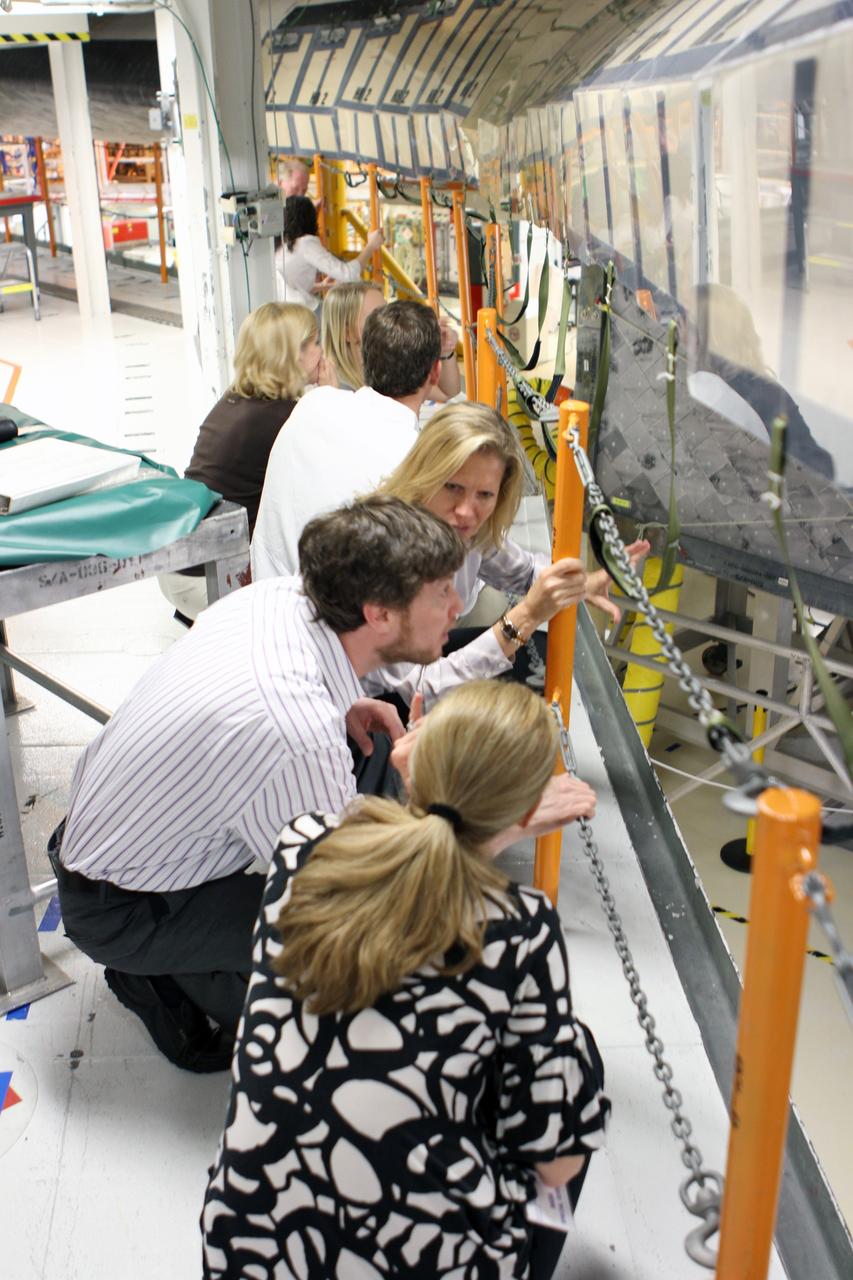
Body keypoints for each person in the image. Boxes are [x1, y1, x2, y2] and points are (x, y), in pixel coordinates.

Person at [201, 680, 608, 1280]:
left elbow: (419, 846)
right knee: (578, 1067)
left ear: (413, 767)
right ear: (526, 813)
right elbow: (556, 1168)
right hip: (421, 1262)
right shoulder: (522, 929)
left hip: (247, 1251)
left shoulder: (302, 847)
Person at [49, 498, 465, 1072]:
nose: (458, 606)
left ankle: (198, 954)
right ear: (379, 614)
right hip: (120, 908)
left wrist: (341, 705)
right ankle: (163, 980)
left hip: (103, 838)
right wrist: (426, 799)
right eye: (442, 593)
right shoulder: (295, 729)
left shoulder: (277, 598)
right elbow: (345, 900)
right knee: (368, 992)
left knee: (369, 753)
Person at [368, 401, 649, 708]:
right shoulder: (388, 551)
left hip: (422, 663)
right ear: (425, 473)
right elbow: (420, 692)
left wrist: (580, 581)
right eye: (452, 487)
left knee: (544, 653)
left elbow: (525, 571)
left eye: (485, 495)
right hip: (375, 704)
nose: (466, 511)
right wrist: (524, 617)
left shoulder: (464, 531)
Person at [252, 300, 442, 580]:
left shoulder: (310, 405)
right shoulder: (415, 459)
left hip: (268, 602)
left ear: (364, 360)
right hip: (341, 617)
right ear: (435, 372)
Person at [159, 301, 322, 622]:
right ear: (293, 355)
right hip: (210, 576)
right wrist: (328, 396)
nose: (322, 350)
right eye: (315, 343)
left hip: (180, 565)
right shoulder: (282, 417)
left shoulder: (238, 401)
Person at [322, 280, 462, 402]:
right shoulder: (338, 391)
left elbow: (446, 392)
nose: (389, 321)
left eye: (387, 311)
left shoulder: (385, 364)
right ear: (347, 333)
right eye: (377, 316)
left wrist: (445, 351)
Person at [277, 194, 383, 311]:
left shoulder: (282, 245)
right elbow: (348, 275)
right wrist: (371, 246)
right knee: (340, 317)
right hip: (301, 311)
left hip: (283, 310)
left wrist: (322, 286)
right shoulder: (305, 244)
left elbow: (292, 285)